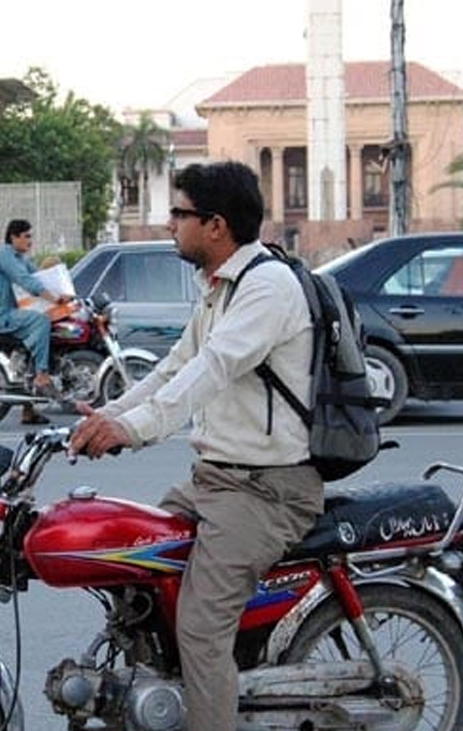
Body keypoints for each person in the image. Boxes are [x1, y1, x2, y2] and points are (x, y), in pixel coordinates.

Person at [68, 161, 323, 731]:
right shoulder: (219, 289)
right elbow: (173, 368)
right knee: (136, 577)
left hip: (267, 492)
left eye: (179, 214)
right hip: (215, 481)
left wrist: (134, 431)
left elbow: (213, 368)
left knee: (201, 626)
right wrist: (105, 417)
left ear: (215, 224)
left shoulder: (267, 287)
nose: (169, 225)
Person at [0, 218, 68, 425]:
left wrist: (62, 286)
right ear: (14, 237)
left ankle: (28, 411)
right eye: (27, 236)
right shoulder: (6, 256)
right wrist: (53, 298)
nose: (30, 241)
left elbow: (37, 276)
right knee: (41, 322)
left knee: (41, 339)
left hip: (14, 313)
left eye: (31, 236)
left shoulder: (20, 258)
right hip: (1, 315)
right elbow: (27, 281)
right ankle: (42, 375)